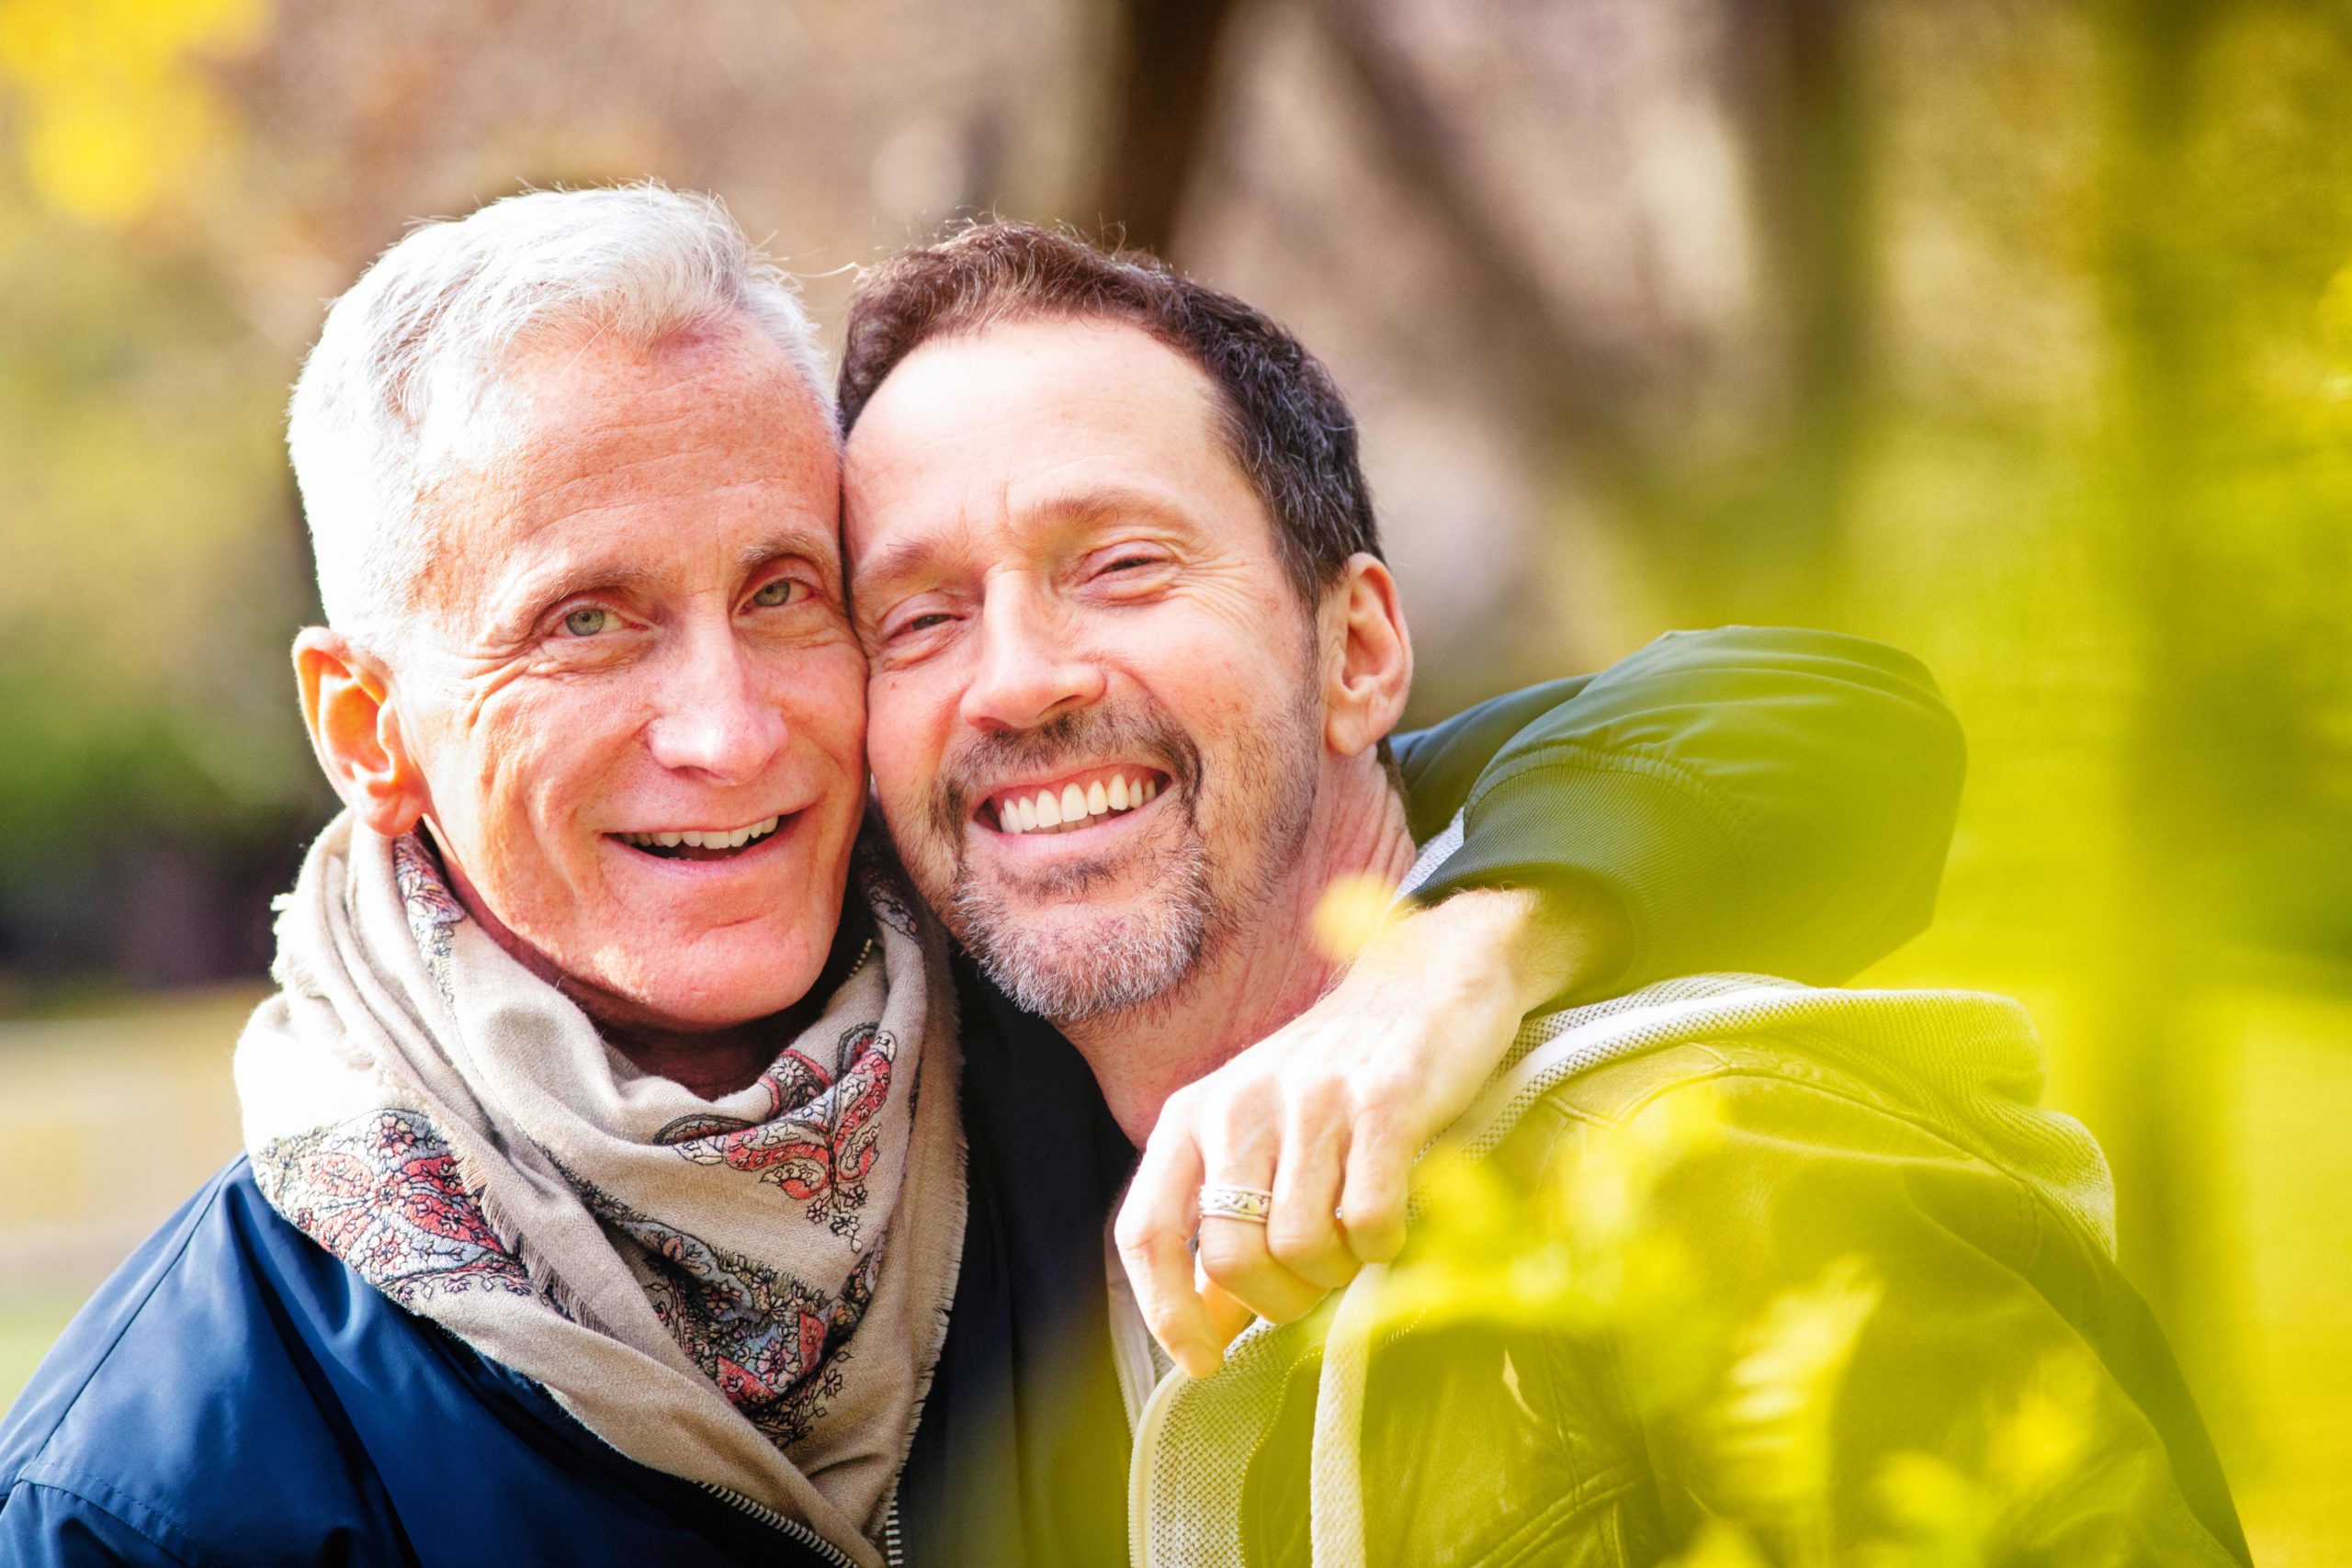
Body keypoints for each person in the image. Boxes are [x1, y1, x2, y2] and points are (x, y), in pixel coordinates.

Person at [0, 186, 1961, 1568]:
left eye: (791, 593)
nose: (732, 729)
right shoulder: (169, 1481)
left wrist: (1439, 964)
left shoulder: (1049, 967)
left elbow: (1816, 720)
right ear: (365, 721)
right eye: (586, 622)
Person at [834, 222, 2252, 1566]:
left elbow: (1835, 709)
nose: (1016, 679)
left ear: (1360, 653)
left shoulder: (1719, 1166)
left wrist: (1461, 959)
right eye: (918, 619)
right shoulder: (925, 1201)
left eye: (1122, 566)